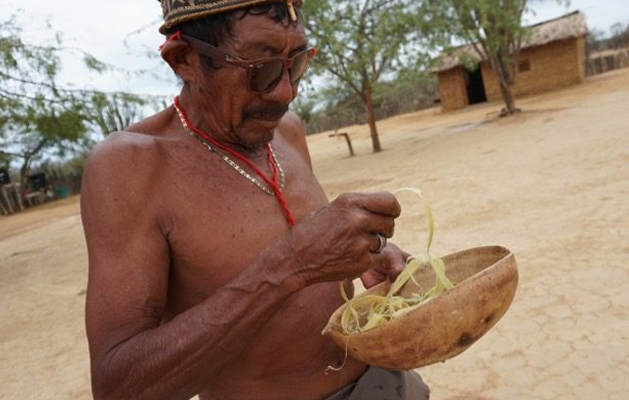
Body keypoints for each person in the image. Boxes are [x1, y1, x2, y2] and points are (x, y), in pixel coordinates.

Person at [80, 1, 430, 399]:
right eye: (260, 69)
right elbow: (118, 387)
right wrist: (288, 266)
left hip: (382, 383)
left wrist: (366, 254)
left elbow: (311, 254)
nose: (286, 92)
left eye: (296, 64)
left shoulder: (287, 131)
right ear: (185, 60)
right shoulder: (132, 167)